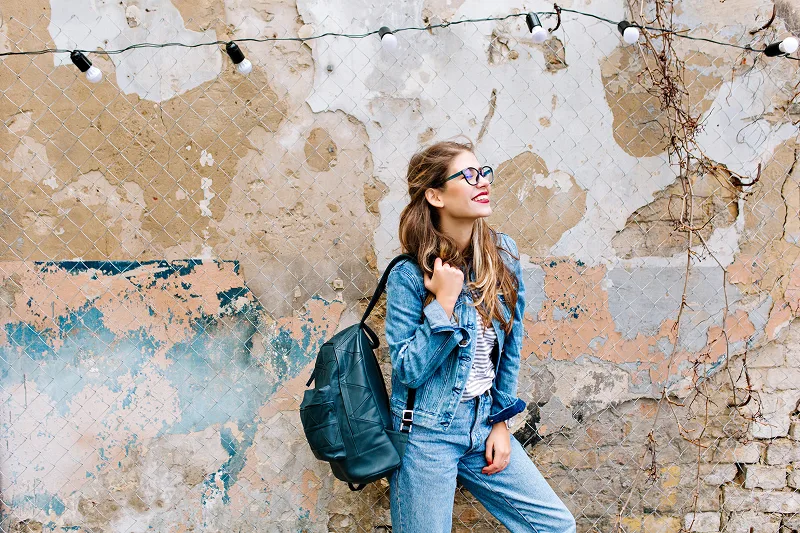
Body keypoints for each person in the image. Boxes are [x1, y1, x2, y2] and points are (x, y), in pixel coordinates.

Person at [385, 140, 576, 532]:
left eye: (483, 172)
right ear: (435, 195)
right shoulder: (408, 274)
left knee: (555, 526)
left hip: (483, 422)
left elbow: (512, 342)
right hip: (425, 433)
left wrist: (501, 422)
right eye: (468, 175)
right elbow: (406, 369)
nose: (482, 181)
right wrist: (443, 304)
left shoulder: (502, 253)